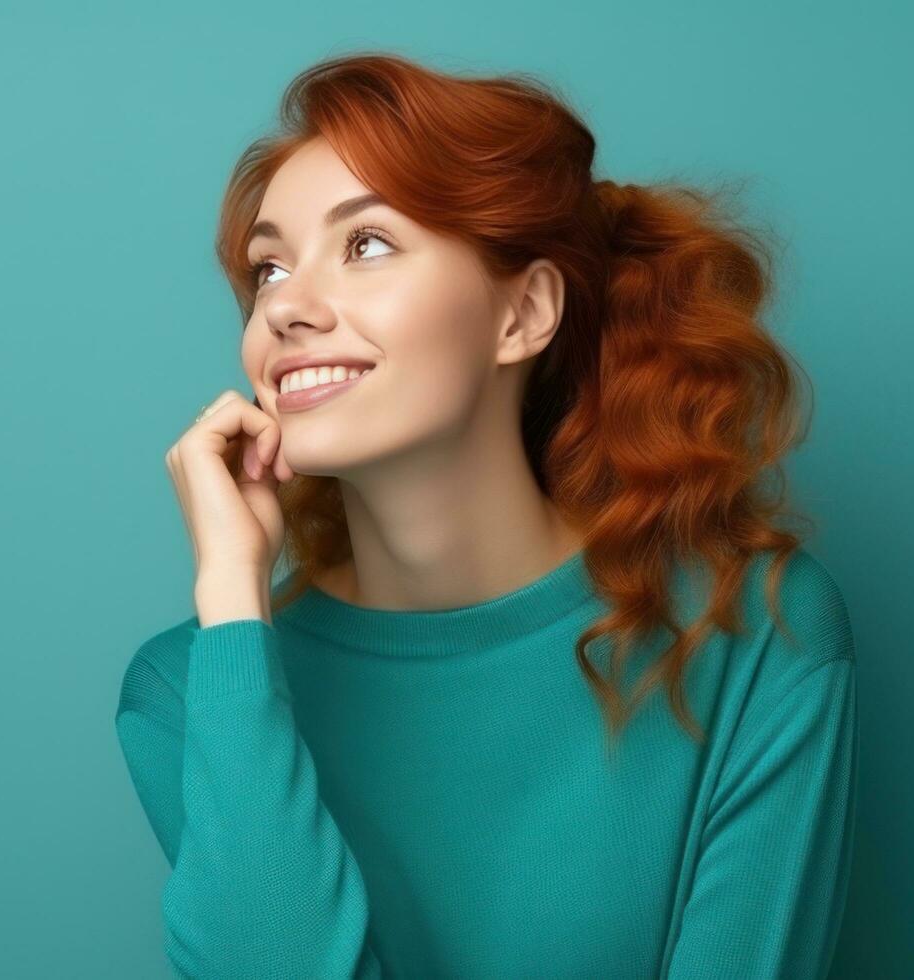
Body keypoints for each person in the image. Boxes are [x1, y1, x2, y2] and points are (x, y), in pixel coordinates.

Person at [114, 51, 859, 979]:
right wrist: (232, 594)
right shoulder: (191, 690)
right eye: (268, 269)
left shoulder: (753, 637)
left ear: (523, 314)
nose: (287, 311)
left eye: (366, 244)